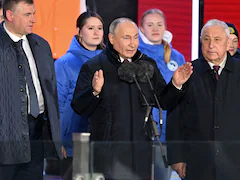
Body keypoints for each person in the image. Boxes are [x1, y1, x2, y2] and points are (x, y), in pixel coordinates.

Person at [71, 17, 192, 179]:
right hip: (107, 153)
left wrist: (175, 85)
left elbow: (163, 101)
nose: (132, 43)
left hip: (140, 154)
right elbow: (79, 107)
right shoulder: (94, 66)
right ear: (112, 38)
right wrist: (94, 91)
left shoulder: (147, 65)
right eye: (126, 38)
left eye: (135, 37)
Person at [167, 19, 240, 180]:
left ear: (228, 43)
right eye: (206, 39)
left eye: (217, 39)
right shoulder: (188, 72)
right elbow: (174, 116)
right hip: (197, 162)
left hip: (234, 162)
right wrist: (177, 157)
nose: (211, 45)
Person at [0, 0, 62, 179]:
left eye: (34, 14)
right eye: (28, 15)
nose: (34, 19)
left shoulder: (41, 45)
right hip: (6, 138)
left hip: (37, 134)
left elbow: (51, 93)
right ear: (10, 15)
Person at [55, 11, 104, 180]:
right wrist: (59, 139)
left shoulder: (109, 62)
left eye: (99, 28)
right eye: (90, 28)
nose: (96, 32)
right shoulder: (65, 63)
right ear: (79, 31)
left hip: (103, 140)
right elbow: (58, 104)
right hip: (73, 139)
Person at [139, 8, 186, 180]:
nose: (155, 28)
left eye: (159, 24)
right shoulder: (135, 55)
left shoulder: (177, 57)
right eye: (150, 25)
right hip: (141, 134)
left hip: (168, 134)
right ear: (141, 28)